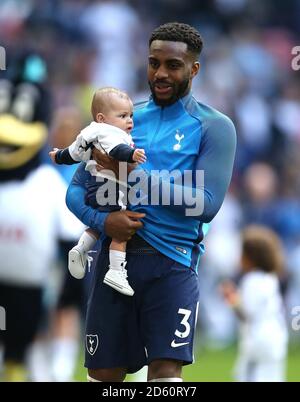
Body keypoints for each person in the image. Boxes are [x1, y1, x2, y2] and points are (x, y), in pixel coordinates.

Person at [66, 22, 237, 382]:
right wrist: (103, 223)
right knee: (102, 373)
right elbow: (75, 192)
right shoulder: (121, 120)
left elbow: (205, 203)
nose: (160, 73)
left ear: (194, 69)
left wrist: (133, 177)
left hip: (172, 263)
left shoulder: (214, 126)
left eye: (172, 65)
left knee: (164, 373)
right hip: (114, 259)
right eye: (153, 62)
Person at [50, 87, 146, 297]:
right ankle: (116, 271)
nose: (129, 120)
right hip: (109, 186)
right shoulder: (112, 133)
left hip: (94, 188)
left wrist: (58, 156)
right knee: (119, 229)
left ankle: (81, 248)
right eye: (122, 116)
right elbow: (116, 151)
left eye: (130, 115)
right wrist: (132, 155)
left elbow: (73, 154)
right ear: (102, 118)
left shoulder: (90, 133)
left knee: (98, 227)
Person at [222, 225, 288, 382]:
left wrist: (231, 297)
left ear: (250, 257)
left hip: (258, 341)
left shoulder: (252, 280)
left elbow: (247, 312)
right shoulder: (270, 278)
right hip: (276, 337)